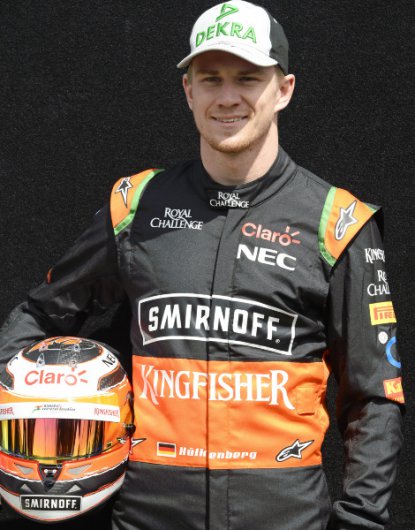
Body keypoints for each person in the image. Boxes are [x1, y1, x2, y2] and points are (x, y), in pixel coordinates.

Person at [0, 1, 404, 529]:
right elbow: (40, 315)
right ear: (189, 91)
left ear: (284, 90)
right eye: (210, 78)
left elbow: (375, 398)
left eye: (248, 78)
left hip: (284, 515)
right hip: (147, 515)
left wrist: (360, 520)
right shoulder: (136, 205)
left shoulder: (338, 221)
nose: (227, 96)